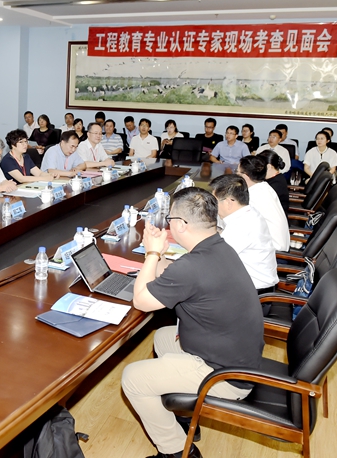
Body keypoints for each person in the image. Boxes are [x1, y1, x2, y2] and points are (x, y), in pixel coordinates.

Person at [122, 187, 263, 458]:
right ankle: (184, 416)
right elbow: (174, 275)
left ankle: (177, 451)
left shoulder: (193, 266)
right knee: (163, 337)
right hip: (237, 356)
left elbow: (141, 301)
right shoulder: (218, 247)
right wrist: (160, 254)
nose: (168, 224)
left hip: (225, 376)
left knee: (133, 378)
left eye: (170, 219)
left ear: (181, 225)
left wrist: (151, 255)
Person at [210, 175, 278, 293]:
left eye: (214, 202)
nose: (213, 207)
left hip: (253, 293)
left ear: (228, 202)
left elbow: (214, 257)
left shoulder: (242, 224)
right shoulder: (248, 213)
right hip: (251, 286)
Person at [238, 156, 290, 251]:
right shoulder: (264, 187)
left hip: (272, 251)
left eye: (237, 172)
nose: (236, 175)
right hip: (276, 244)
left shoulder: (252, 197)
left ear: (245, 176)